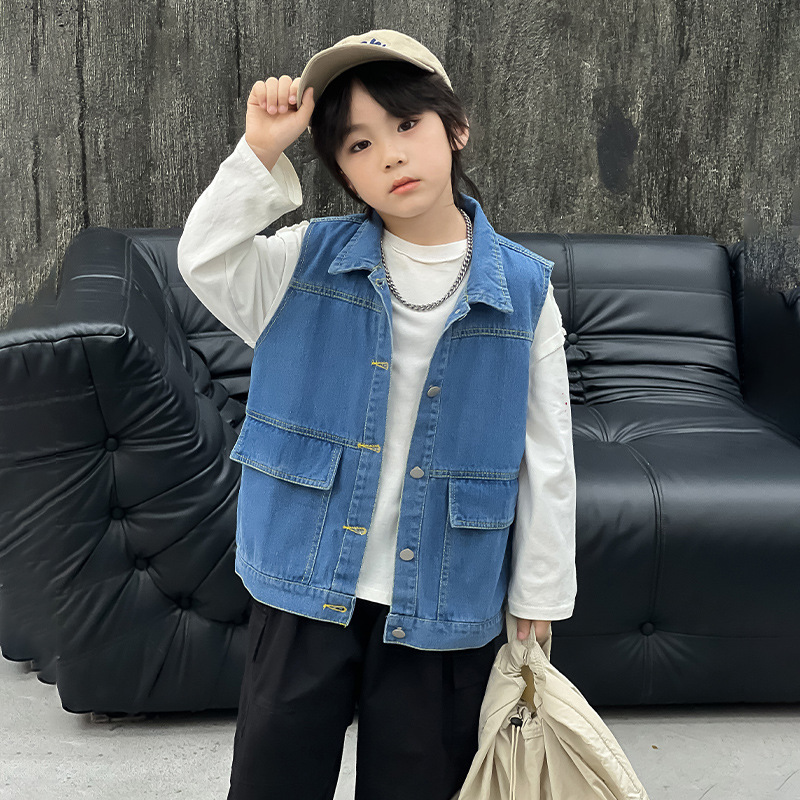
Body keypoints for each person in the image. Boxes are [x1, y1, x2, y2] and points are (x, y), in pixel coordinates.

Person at [177, 28, 576, 800]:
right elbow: (204, 258)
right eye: (358, 145)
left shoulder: (527, 292)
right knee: (273, 780)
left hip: (444, 591)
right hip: (304, 579)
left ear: (456, 130)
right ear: (343, 172)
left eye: (406, 125)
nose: (390, 155)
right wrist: (261, 151)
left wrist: (538, 593)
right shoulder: (302, 261)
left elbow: (547, 453)